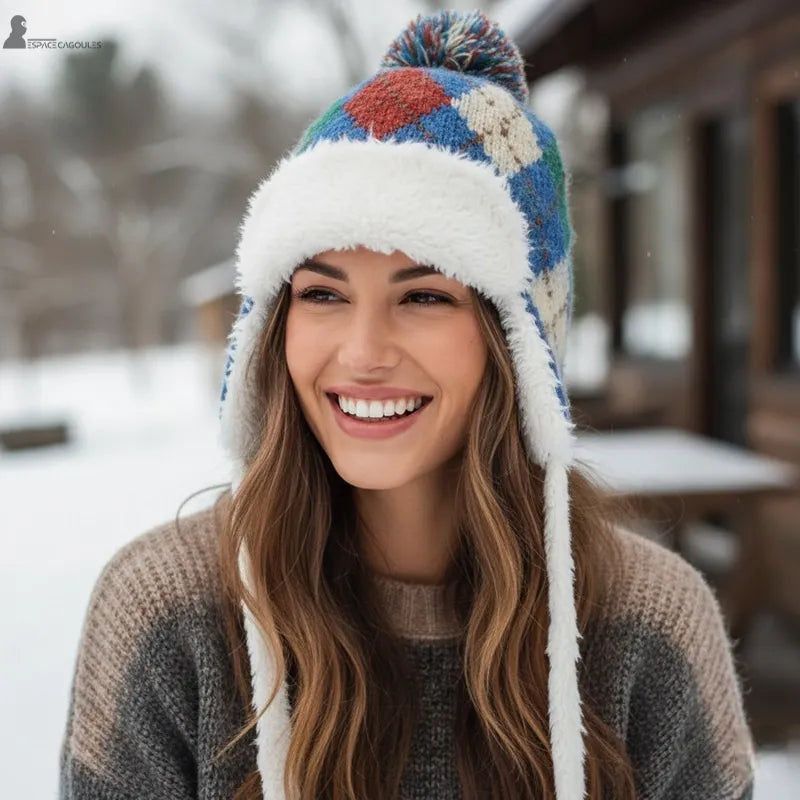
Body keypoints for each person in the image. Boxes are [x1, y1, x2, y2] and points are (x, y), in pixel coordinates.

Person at [58, 9, 756, 800]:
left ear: (518, 347)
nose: (362, 353)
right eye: (322, 294)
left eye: (423, 295)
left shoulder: (651, 625)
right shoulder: (166, 612)